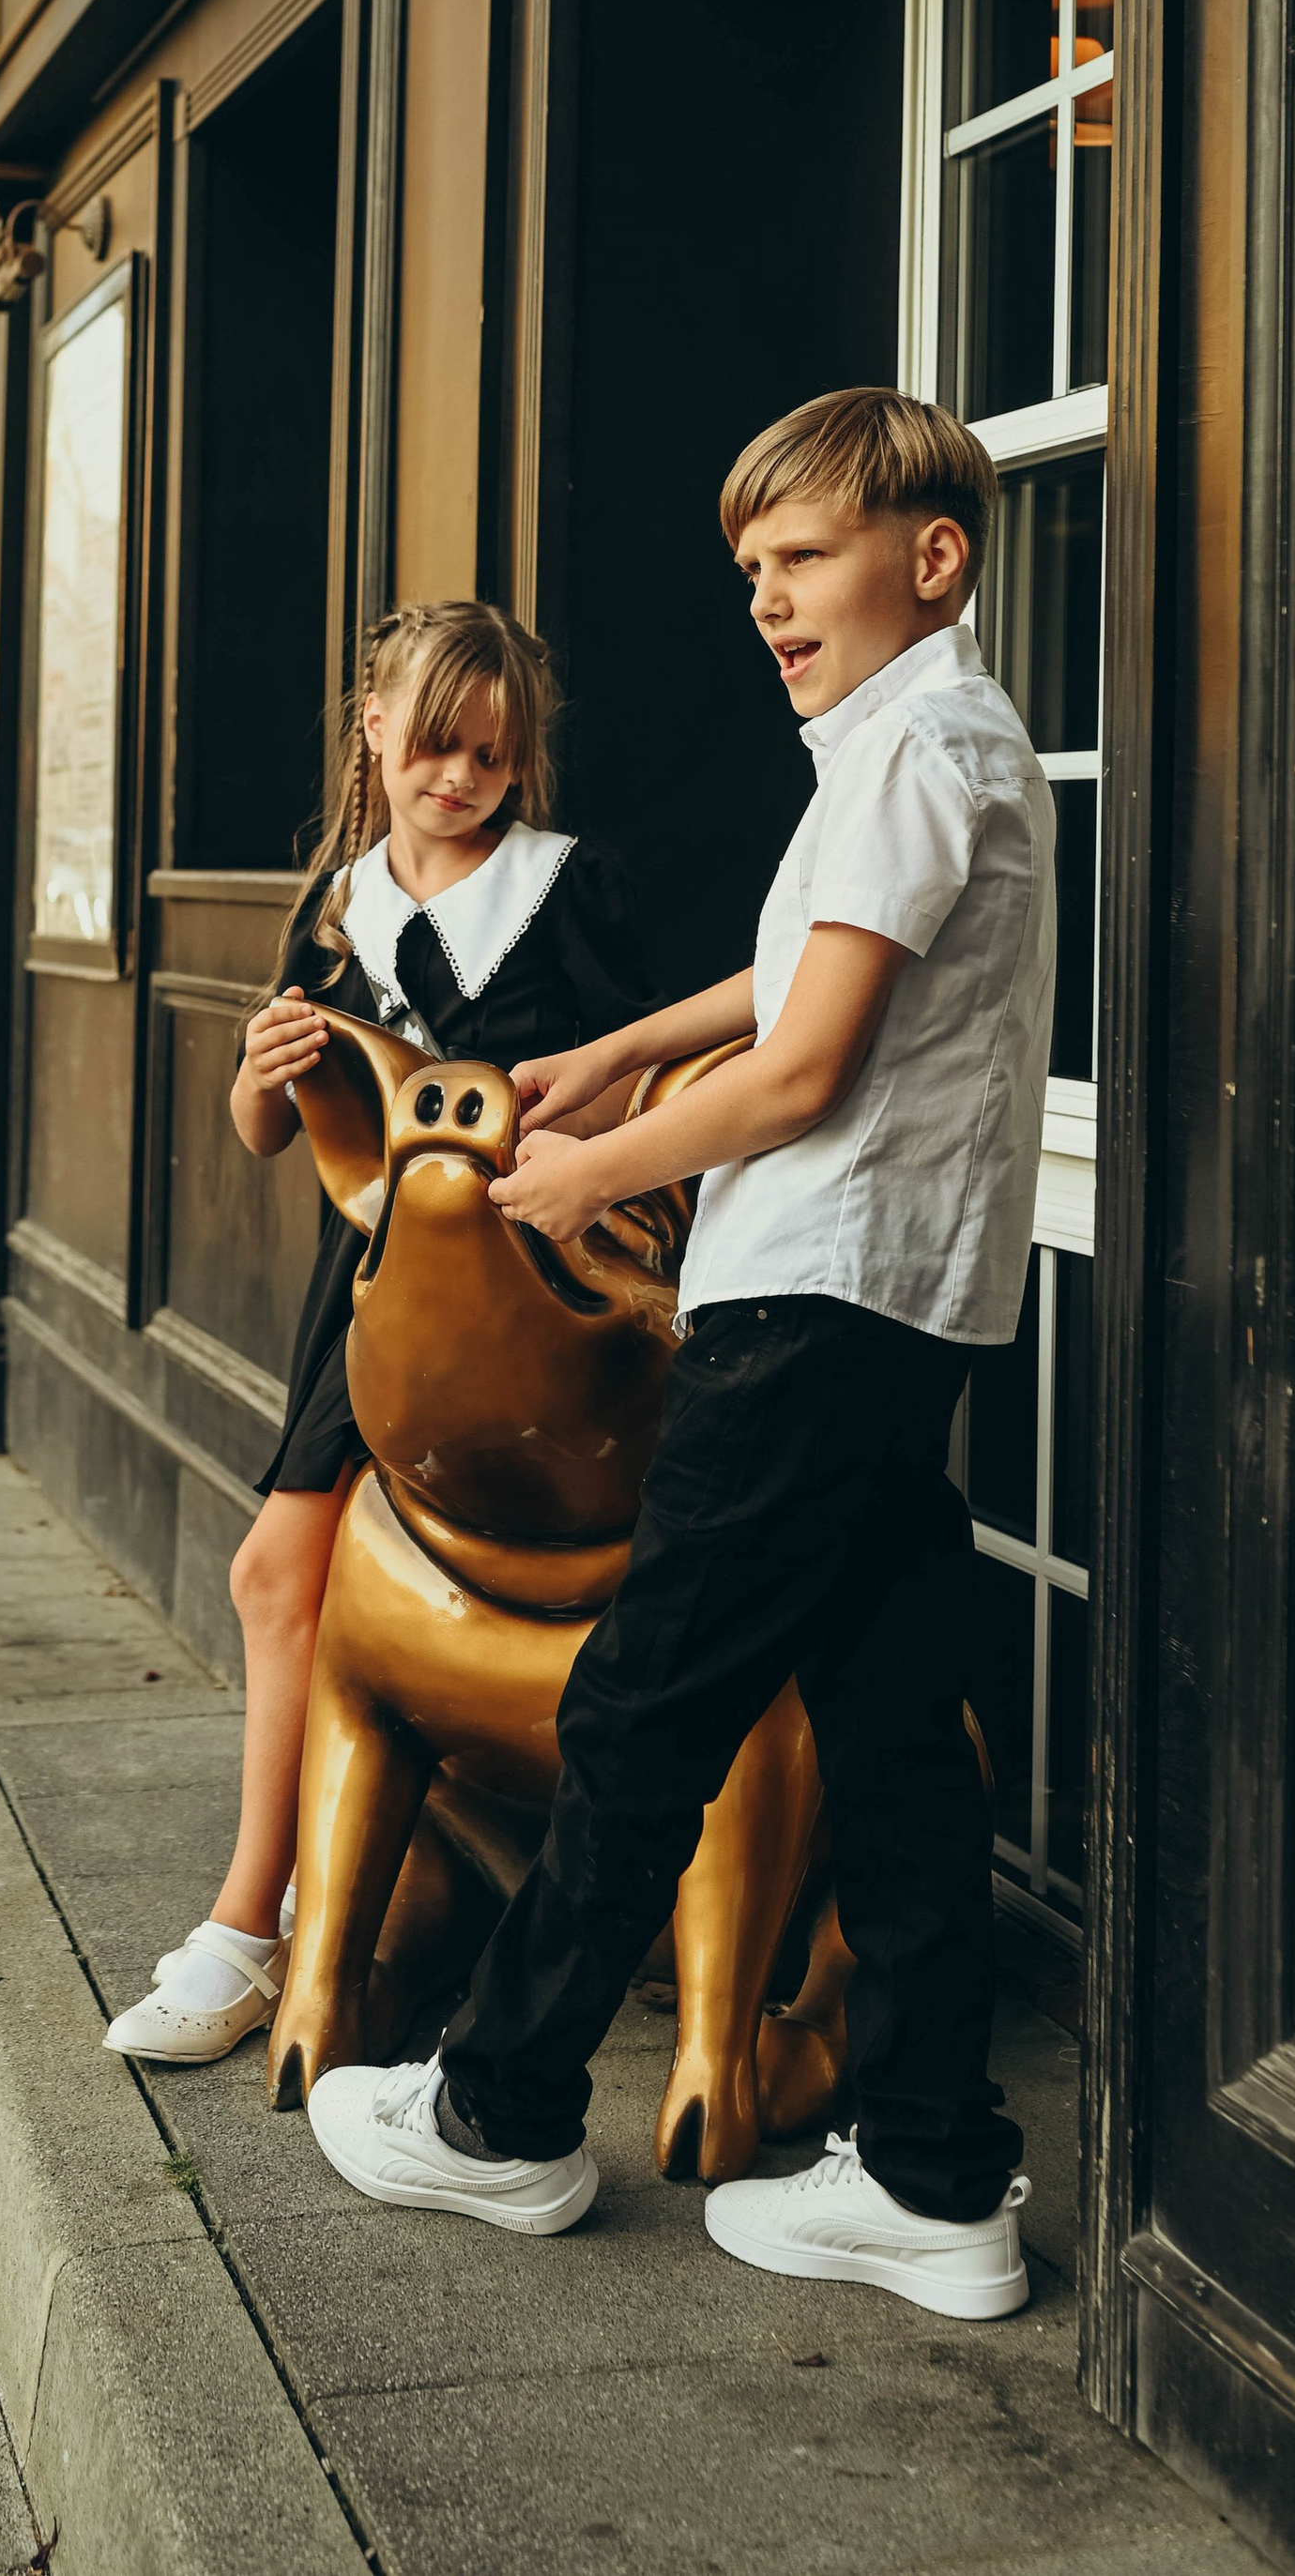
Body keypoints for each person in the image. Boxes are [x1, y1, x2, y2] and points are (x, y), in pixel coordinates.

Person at [307, 389, 1055, 2327]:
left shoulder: (901, 756)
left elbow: (805, 1068)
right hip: (898, 1303)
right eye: (750, 571)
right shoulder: (923, 741)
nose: (767, 600)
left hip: (808, 1302)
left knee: (641, 1705)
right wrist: (630, 1042)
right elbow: (798, 971)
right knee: (893, 1738)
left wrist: (582, 1176)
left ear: (932, 557)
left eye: (800, 559)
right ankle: (930, 2174)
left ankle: (498, 2111)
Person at [101, 602, 657, 2067]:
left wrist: (515, 1117)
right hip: (364, 1290)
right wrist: (260, 1066)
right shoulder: (336, 904)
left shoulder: (566, 885)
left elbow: (639, 1085)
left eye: (489, 753)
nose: (457, 777)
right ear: (373, 733)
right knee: (277, 1563)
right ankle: (256, 1923)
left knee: (344, 1577)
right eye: (431, 745)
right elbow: (265, 1130)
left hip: (525, 1302)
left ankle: (273, 1922)